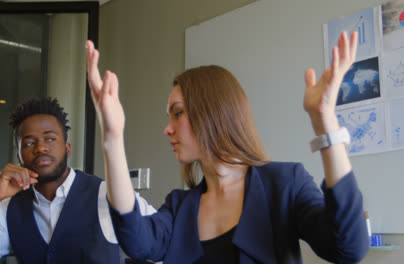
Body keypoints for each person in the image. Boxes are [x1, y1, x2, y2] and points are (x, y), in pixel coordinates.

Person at [85, 30, 369, 263]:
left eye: (178, 112)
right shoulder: (179, 206)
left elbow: (347, 248)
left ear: (213, 111)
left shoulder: (285, 184)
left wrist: (324, 121)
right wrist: (113, 136)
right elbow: (137, 241)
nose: (167, 128)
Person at [0, 97, 155, 264]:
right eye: (29, 143)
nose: (40, 148)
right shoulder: (8, 209)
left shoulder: (108, 195)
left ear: (68, 148)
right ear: (19, 156)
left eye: (50, 139)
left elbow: (164, 245)